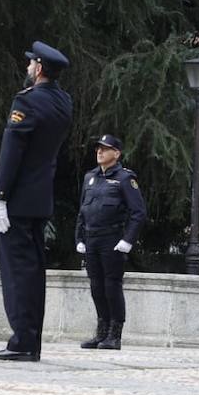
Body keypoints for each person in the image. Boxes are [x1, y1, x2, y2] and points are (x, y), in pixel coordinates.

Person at [0, 41, 73, 362]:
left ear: (38, 69)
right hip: (40, 200)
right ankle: (30, 341)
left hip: (17, 202)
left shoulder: (28, 102)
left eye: (30, 64)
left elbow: (12, 153)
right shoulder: (63, 102)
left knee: (17, 273)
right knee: (33, 273)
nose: (27, 68)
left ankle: (22, 341)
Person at [74, 134, 146, 351]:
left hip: (112, 240)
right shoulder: (90, 177)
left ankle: (115, 335)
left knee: (111, 286)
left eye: (105, 149)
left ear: (116, 153)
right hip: (91, 239)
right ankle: (101, 332)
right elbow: (83, 210)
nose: (100, 152)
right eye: (98, 148)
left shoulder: (125, 179)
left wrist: (128, 240)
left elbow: (138, 212)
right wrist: (79, 238)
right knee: (96, 286)